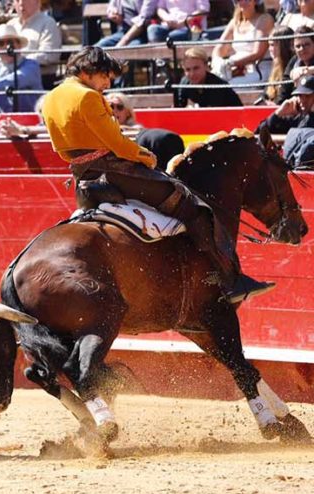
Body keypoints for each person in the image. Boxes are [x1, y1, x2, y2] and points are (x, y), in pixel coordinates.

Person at [41, 46, 274, 304]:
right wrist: (144, 155)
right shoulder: (87, 96)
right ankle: (229, 280)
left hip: (82, 179)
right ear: (88, 71)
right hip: (115, 173)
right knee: (192, 205)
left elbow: (58, 147)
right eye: (105, 77)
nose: (106, 84)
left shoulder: (52, 97)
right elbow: (117, 144)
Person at [106, 91, 185, 171]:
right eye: (111, 106)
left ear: (128, 112)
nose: (115, 110)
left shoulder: (139, 130)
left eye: (120, 107)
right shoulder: (100, 131)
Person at [211, 0, 274, 86]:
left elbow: (258, 53)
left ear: (255, 1)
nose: (243, 2)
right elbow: (219, 48)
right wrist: (217, 61)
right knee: (211, 82)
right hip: (235, 70)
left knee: (225, 88)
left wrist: (230, 63)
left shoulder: (265, 19)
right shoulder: (235, 22)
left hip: (258, 70)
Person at [4, 0, 62, 88]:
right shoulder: (10, 25)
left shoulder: (48, 23)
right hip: (9, 78)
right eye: (17, 0)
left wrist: (19, 60)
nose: (21, 3)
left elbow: (49, 56)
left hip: (39, 80)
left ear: (38, 2)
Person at [177, 47, 243, 107]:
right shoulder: (184, 84)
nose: (192, 74)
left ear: (206, 66)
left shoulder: (217, 86)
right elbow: (178, 109)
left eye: (196, 68)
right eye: (188, 70)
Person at [260, 26, 295, 105]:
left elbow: (283, 97)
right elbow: (265, 94)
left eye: (272, 45)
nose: (270, 49)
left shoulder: (293, 65)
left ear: (283, 46)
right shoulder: (276, 67)